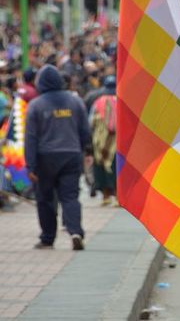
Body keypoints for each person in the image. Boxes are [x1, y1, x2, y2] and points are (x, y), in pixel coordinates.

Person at [24, 65, 90, 250]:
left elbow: (31, 138)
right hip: (71, 155)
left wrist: (30, 165)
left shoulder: (35, 105)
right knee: (70, 196)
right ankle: (75, 231)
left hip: (45, 158)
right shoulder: (75, 102)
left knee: (45, 199)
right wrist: (85, 150)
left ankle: (48, 238)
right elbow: (85, 131)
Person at [89, 76, 117, 207]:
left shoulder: (97, 102)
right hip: (117, 143)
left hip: (100, 142)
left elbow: (90, 122)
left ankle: (105, 197)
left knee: (101, 168)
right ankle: (118, 197)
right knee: (116, 167)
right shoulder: (122, 102)